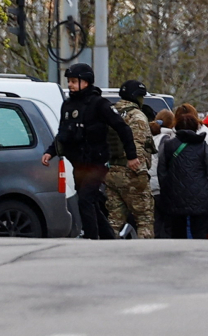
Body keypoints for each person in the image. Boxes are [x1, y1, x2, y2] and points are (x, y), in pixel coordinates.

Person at [41, 63, 138, 240]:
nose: (69, 85)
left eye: (73, 81)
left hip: (97, 162)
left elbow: (122, 128)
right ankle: (109, 238)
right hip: (78, 162)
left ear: (85, 82)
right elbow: (63, 133)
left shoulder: (99, 104)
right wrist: (50, 152)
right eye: (68, 81)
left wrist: (131, 156)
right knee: (89, 201)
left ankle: (91, 240)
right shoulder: (68, 105)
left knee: (85, 199)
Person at [105, 80, 156, 239]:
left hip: (110, 171)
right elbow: (139, 145)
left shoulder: (110, 112)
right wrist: (140, 172)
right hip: (132, 172)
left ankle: (105, 253)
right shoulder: (137, 116)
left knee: (114, 219)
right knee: (144, 218)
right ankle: (145, 254)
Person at [158, 114, 208, 239]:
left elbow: (161, 171)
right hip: (200, 194)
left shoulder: (168, 145)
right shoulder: (203, 145)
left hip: (174, 194)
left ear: (176, 127)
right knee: (199, 233)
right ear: (196, 127)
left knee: (178, 233)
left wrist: (167, 188)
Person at [150, 109, 175, 238]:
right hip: (162, 187)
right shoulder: (168, 139)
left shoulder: (149, 136)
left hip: (149, 186)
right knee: (167, 225)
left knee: (154, 223)